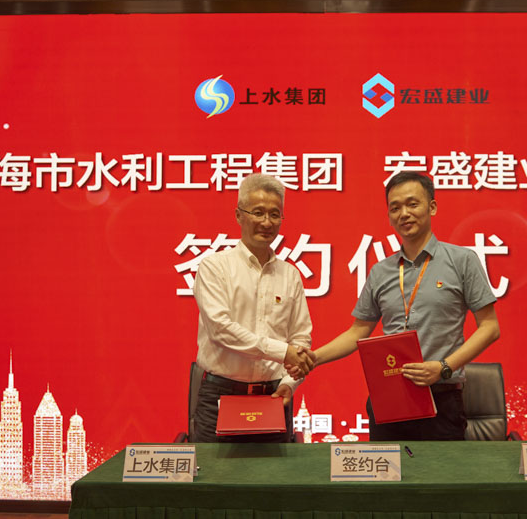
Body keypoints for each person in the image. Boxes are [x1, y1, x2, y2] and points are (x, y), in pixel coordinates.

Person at [303, 171, 499, 441]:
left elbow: (490, 327)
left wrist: (443, 367)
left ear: (432, 207)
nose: (404, 213)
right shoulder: (381, 271)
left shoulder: (462, 260)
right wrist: (314, 359)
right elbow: (358, 331)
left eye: (412, 204)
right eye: (395, 208)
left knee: (437, 470)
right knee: (385, 468)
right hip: (389, 396)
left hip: (441, 399)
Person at [192, 173, 315, 443]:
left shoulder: (290, 275)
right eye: (258, 213)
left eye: (275, 215)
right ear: (239, 215)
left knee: (273, 471)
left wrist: (289, 383)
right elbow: (221, 330)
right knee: (212, 471)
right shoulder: (214, 267)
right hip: (220, 397)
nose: (267, 222)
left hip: (274, 396)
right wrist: (283, 352)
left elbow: (300, 338)